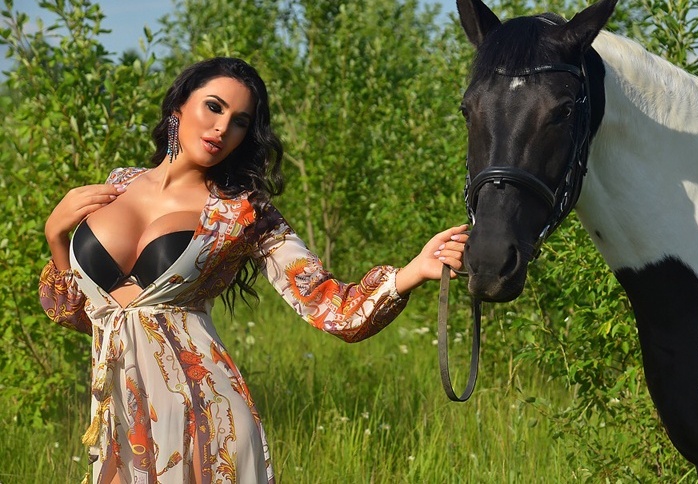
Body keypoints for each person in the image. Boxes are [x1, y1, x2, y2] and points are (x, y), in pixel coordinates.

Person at [39, 57, 467, 484]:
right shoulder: (117, 184)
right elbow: (78, 313)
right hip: (118, 417)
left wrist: (414, 271)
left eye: (239, 121)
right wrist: (56, 234)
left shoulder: (243, 213)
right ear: (178, 107)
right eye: (213, 107)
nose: (222, 127)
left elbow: (330, 306)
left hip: (203, 418)